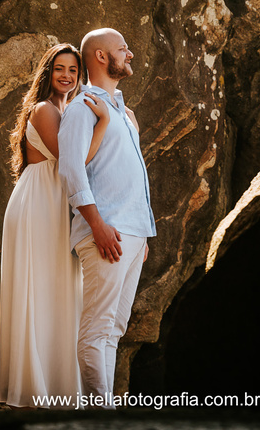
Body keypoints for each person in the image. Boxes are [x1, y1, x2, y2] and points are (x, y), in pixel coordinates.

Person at [0, 42, 110, 407]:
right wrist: (104, 123)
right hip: (38, 206)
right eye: (59, 68)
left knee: (62, 291)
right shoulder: (45, 110)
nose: (66, 75)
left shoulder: (69, 109)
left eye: (73, 70)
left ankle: (60, 388)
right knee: (41, 290)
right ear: (48, 74)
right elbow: (73, 161)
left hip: (57, 205)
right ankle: (34, 389)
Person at [57, 28, 157, 405]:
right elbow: (71, 169)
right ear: (100, 57)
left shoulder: (123, 112)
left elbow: (129, 174)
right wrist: (97, 224)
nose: (129, 54)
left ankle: (101, 410)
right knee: (97, 331)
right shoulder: (83, 107)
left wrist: (143, 235)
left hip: (132, 234)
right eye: (122, 49)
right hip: (105, 230)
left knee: (114, 330)